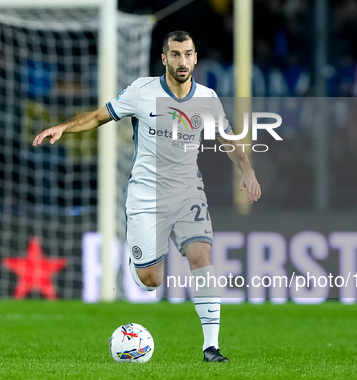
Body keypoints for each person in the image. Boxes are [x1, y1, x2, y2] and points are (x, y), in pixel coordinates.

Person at [33, 31, 261, 362]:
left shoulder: (207, 98)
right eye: (175, 54)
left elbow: (228, 139)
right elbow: (99, 116)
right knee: (150, 280)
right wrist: (63, 128)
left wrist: (248, 170)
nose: (182, 61)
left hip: (188, 192)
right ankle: (139, 260)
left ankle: (211, 347)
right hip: (145, 194)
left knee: (201, 256)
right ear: (164, 59)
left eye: (188, 54)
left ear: (195, 59)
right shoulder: (143, 91)